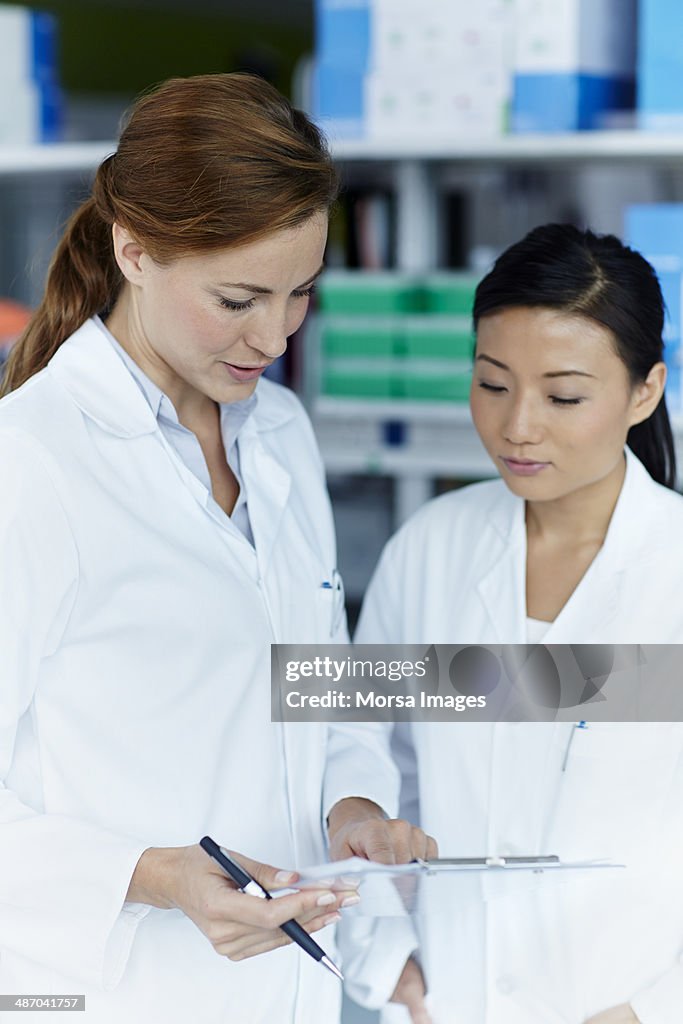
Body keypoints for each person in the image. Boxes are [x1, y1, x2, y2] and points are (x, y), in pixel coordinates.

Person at [0, 73, 435, 1024]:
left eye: (299, 295)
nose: (274, 335)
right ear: (135, 251)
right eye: (238, 298)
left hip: (281, 989)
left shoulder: (276, 430)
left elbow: (319, 678)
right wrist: (155, 877)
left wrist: (351, 808)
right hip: (112, 995)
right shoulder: (29, 464)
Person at [353, 225, 683, 1023]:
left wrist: (650, 1007)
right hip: (445, 999)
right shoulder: (430, 545)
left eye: (563, 395)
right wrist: (388, 956)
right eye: (492, 383)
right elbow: (356, 742)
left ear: (645, 391)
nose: (516, 426)